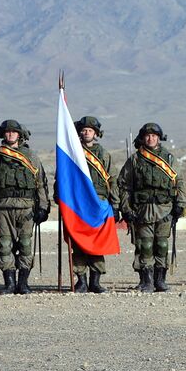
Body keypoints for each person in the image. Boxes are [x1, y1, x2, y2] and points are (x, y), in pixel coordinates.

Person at [117, 122, 186, 292]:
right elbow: (124, 185)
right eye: (147, 136)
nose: (151, 138)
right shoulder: (134, 159)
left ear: (159, 138)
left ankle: (160, 280)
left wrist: (181, 204)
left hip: (165, 208)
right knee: (145, 245)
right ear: (142, 138)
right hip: (142, 210)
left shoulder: (169, 159)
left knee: (162, 244)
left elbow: (179, 183)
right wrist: (126, 209)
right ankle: (146, 281)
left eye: (154, 136)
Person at [0, 119, 49, 294]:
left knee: (25, 245)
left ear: (20, 134)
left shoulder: (31, 156)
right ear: (3, 134)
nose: (10, 134)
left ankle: (23, 283)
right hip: (3, 208)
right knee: (5, 246)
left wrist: (43, 207)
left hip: (26, 208)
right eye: (7, 131)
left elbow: (41, 184)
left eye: (14, 131)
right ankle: (9, 283)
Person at [65, 116, 116, 292]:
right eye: (84, 130)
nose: (86, 133)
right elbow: (63, 177)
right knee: (79, 243)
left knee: (97, 242)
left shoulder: (104, 154)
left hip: (99, 204)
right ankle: (82, 281)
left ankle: (96, 281)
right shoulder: (71, 152)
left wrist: (115, 204)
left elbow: (113, 179)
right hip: (78, 204)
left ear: (96, 133)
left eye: (90, 130)